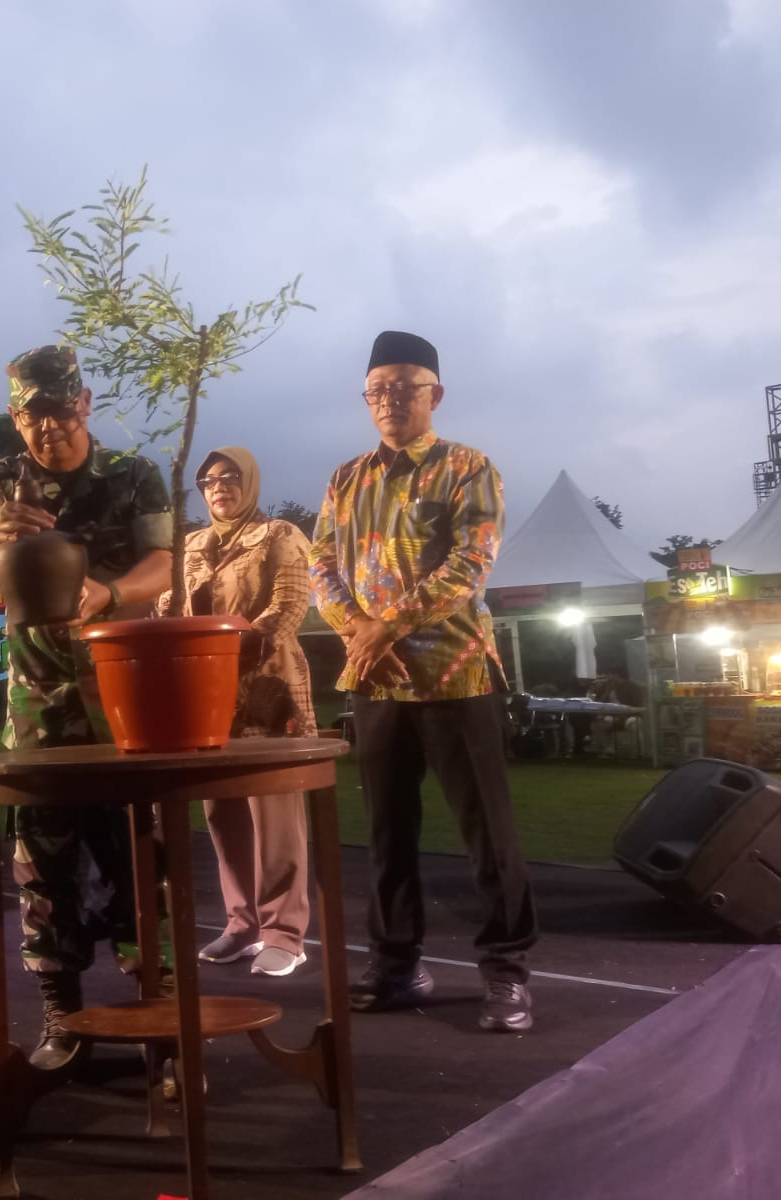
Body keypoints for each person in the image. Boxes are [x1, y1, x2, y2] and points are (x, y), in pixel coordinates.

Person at [0, 344, 173, 1069]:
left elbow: (169, 559)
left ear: (86, 403)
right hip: (36, 701)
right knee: (40, 852)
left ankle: (156, 1013)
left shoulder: (131, 474)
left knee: (138, 846)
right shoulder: (4, 479)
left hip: (122, 694)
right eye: (33, 417)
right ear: (17, 419)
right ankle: (62, 1013)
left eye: (60, 413)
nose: (49, 430)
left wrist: (113, 593)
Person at [310, 330, 537, 1033]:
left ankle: (505, 974)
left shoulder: (468, 468)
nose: (390, 401)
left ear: (435, 393)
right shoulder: (346, 478)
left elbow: (471, 565)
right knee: (387, 833)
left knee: (487, 834)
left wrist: (387, 626)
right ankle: (398, 964)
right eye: (377, 390)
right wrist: (355, 628)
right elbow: (321, 564)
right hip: (375, 683)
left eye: (405, 387)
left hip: (455, 676)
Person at [158, 446, 316, 978]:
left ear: (250, 481)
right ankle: (242, 925)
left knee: (274, 815)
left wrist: (229, 642)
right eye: (208, 481)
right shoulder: (192, 544)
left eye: (229, 477)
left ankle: (285, 935)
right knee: (221, 812)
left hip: (266, 690)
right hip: (208, 697)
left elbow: (288, 607)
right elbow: (173, 606)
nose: (218, 486)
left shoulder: (280, 535)